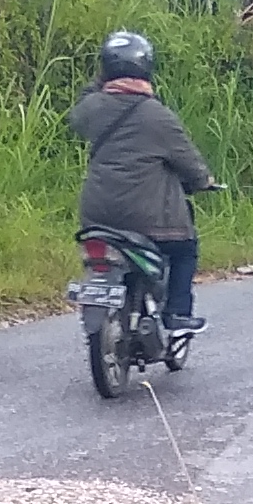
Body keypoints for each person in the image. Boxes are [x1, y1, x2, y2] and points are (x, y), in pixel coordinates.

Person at [68, 29, 213, 330]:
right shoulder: (157, 116)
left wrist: (102, 80)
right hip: (147, 218)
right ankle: (176, 313)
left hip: (96, 213)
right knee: (185, 249)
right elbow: (191, 165)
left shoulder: (91, 109)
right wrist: (204, 181)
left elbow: (79, 110)